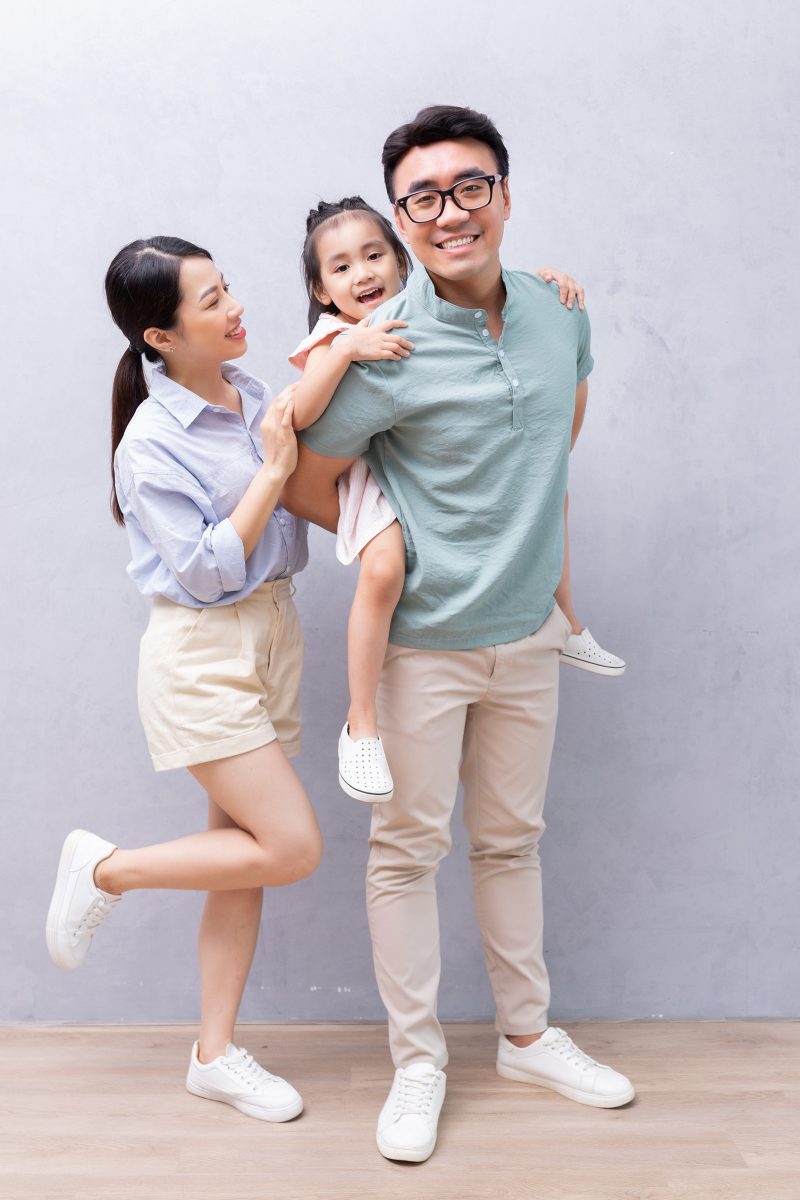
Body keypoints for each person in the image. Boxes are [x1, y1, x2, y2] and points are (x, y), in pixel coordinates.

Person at [282, 106, 635, 1163]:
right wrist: (392, 548)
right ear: (402, 217)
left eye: (467, 187)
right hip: (420, 649)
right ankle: (418, 1063)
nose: (448, 212)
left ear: (503, 196)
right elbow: (304, 471)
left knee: (511, 842)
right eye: (422, 198)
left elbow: (554, 442)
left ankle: (526, 1036)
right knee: (406, 852)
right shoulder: (381, 343)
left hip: (528, 636)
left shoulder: (556, 311)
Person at [45, 236, 322, 1124]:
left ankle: (214, 1055)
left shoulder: (248, 395)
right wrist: (276, 471)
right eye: (210, 301)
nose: (235, 305)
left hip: (273, 637)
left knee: (238, 864)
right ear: (161, 337)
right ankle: (108, 871)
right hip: (204, 655)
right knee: (290, 847)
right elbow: (204, 573)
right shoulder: (151, 442)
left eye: (227, 285)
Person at [288, 197, 602, 806]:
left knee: (549, 494)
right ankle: (360, 723)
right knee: (383, 570)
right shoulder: (336, 340)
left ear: (402, 260)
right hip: (368, 482)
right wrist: (348, 350)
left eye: (375, 255)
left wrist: (543, 281)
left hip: (407, 481)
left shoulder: (415, 323)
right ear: (321, 289)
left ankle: (568, 623)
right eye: (343, 267)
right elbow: (303, 419)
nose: (364, 274)